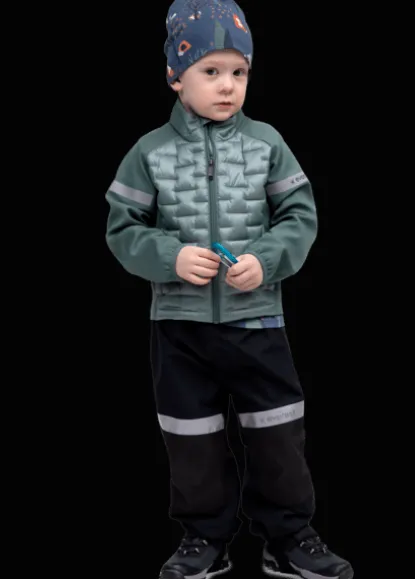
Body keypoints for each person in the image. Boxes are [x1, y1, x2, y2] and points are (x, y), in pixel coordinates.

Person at [104, 1, 354, 578]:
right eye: (211, 71)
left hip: (258, 319)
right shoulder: (148, 152)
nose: (227, 85)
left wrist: (266, 261)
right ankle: (203, 538)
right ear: (175, 76)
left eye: (239, 72)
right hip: (179, 326)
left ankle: (289, 537)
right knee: (190, 437)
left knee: (278, 431)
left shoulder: (268, 143)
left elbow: (299, 216)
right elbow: (122, 228)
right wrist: (168, 257)